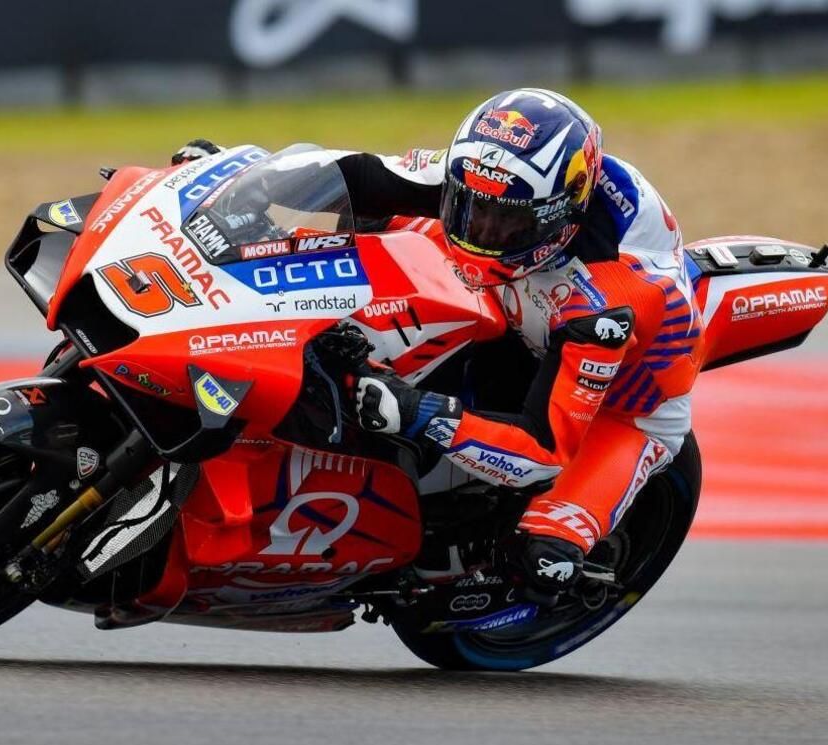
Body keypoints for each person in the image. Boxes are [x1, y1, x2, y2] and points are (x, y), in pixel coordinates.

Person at [173, 88, 704, 604]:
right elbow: (357, 175)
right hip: (521, 299)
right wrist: (238, 186)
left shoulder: (607, 302)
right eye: (472, 210)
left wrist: (418, 411)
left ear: (559, 217)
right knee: (370, 228)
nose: (484, 231)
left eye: (506, 221)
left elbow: (543, 452)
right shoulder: (491, 175)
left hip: (624, 406)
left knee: (544, 557)